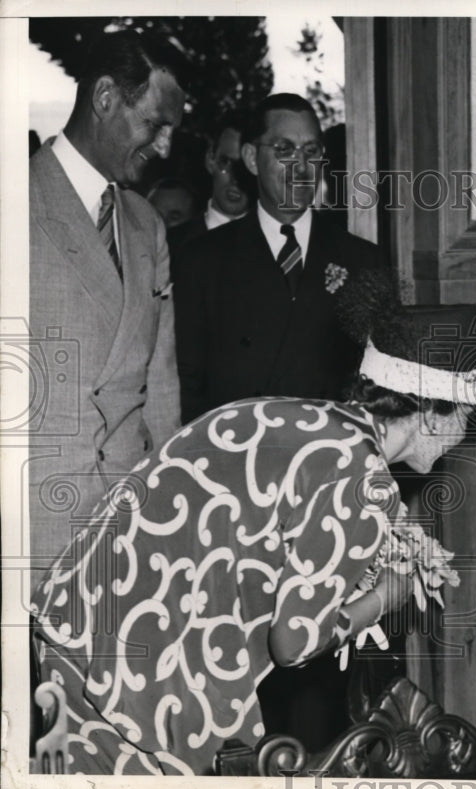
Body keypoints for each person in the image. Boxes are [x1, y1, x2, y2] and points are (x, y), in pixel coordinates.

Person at [30, 300, 476, 775]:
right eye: (468, 414)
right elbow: (294, 642)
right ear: (433, 414)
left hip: (77, 624)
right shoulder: (366, 480)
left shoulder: (315, 419)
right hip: (135, 672)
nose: (462, 434)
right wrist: (387, 597)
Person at [28, 30, 185, 588]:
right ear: (104, 99)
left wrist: (169, 519)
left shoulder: (147, 225)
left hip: (128, 531)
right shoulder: (15, 201)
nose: (165, 147)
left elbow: (161, 392)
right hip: (33, 532)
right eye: (154, 124)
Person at [173, 93, 383, 425]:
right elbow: (186, 383)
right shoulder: (203, 260)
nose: (301, 167)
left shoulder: (362, 260)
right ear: (252, 158)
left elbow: (380, 390)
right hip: (236, 456)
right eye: (284, 150)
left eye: (311, 152)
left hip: (330, 458)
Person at [167, 111, 251, 261]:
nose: (235, 179)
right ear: (210, 161)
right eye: (225, 162)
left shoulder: (275, 248)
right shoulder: (170, 247)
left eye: (243, 168)